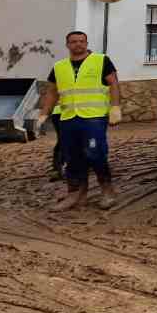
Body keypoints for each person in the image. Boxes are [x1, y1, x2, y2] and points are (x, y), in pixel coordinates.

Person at [37, 31, 123, 210]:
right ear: (67, 45)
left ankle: (107, 191)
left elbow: (113, 83)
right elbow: (52, 91)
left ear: (86, 43)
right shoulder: (59, 67)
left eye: (81, 41)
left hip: (94, 117)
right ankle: (76, 194)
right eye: (73, 42)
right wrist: (44, 114)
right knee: (72, 157)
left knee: (95, 153)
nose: (78, 44)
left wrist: (115, 107)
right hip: (68, 118)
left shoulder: (101, 61)